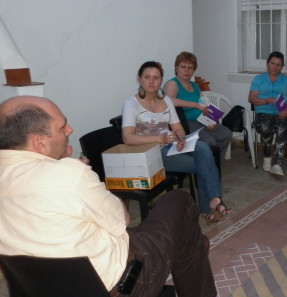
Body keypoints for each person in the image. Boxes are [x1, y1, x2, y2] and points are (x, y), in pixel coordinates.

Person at [0, 95, 216, 297]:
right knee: (179, 201)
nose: (70, 129)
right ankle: (193, 252)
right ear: (40, 143)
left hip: (41, 286)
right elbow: (122, 219)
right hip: (123, 285)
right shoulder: (69, 174)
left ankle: (192, 246)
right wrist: (88, 176)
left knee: (183, 236)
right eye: (61, 127)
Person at [122, 61, 231, 224]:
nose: (151, 82)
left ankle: (213, 200)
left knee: (203, 148)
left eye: (156, 78)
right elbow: (127, 138)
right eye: (147, 77)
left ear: (161, 80)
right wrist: (159, 139)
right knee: (204, 163)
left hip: (170, 145)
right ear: (139, 79)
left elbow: (178, 128)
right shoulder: (131, 104)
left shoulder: (166, 100)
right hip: (150, 153)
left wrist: (180, 138)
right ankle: (211, 204)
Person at [163, 51, 232, 158]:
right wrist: (195, 105)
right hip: (184, 123)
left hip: (200, 119)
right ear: (176, 68)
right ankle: (206, 163)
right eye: (183, 66)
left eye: (190, 68)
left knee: (226, 134)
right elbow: (169, 100)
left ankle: (215, 161)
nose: (187, 70)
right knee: (210, 141)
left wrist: (211, 120)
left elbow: (202, 105)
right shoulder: (172, 83)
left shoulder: (194, 85)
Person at [248, 51, 287, 176]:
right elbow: (251, 98)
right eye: (273, 63)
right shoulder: (258, 79)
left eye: (278, 65)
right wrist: (264, 100)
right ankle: (267, 157)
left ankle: (277, 163)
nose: (275, 67)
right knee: (265, 128)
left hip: (283, 112)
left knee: (281, 128)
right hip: (263, 112)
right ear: (267, 64)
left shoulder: (286, 79)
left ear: (282, 66)